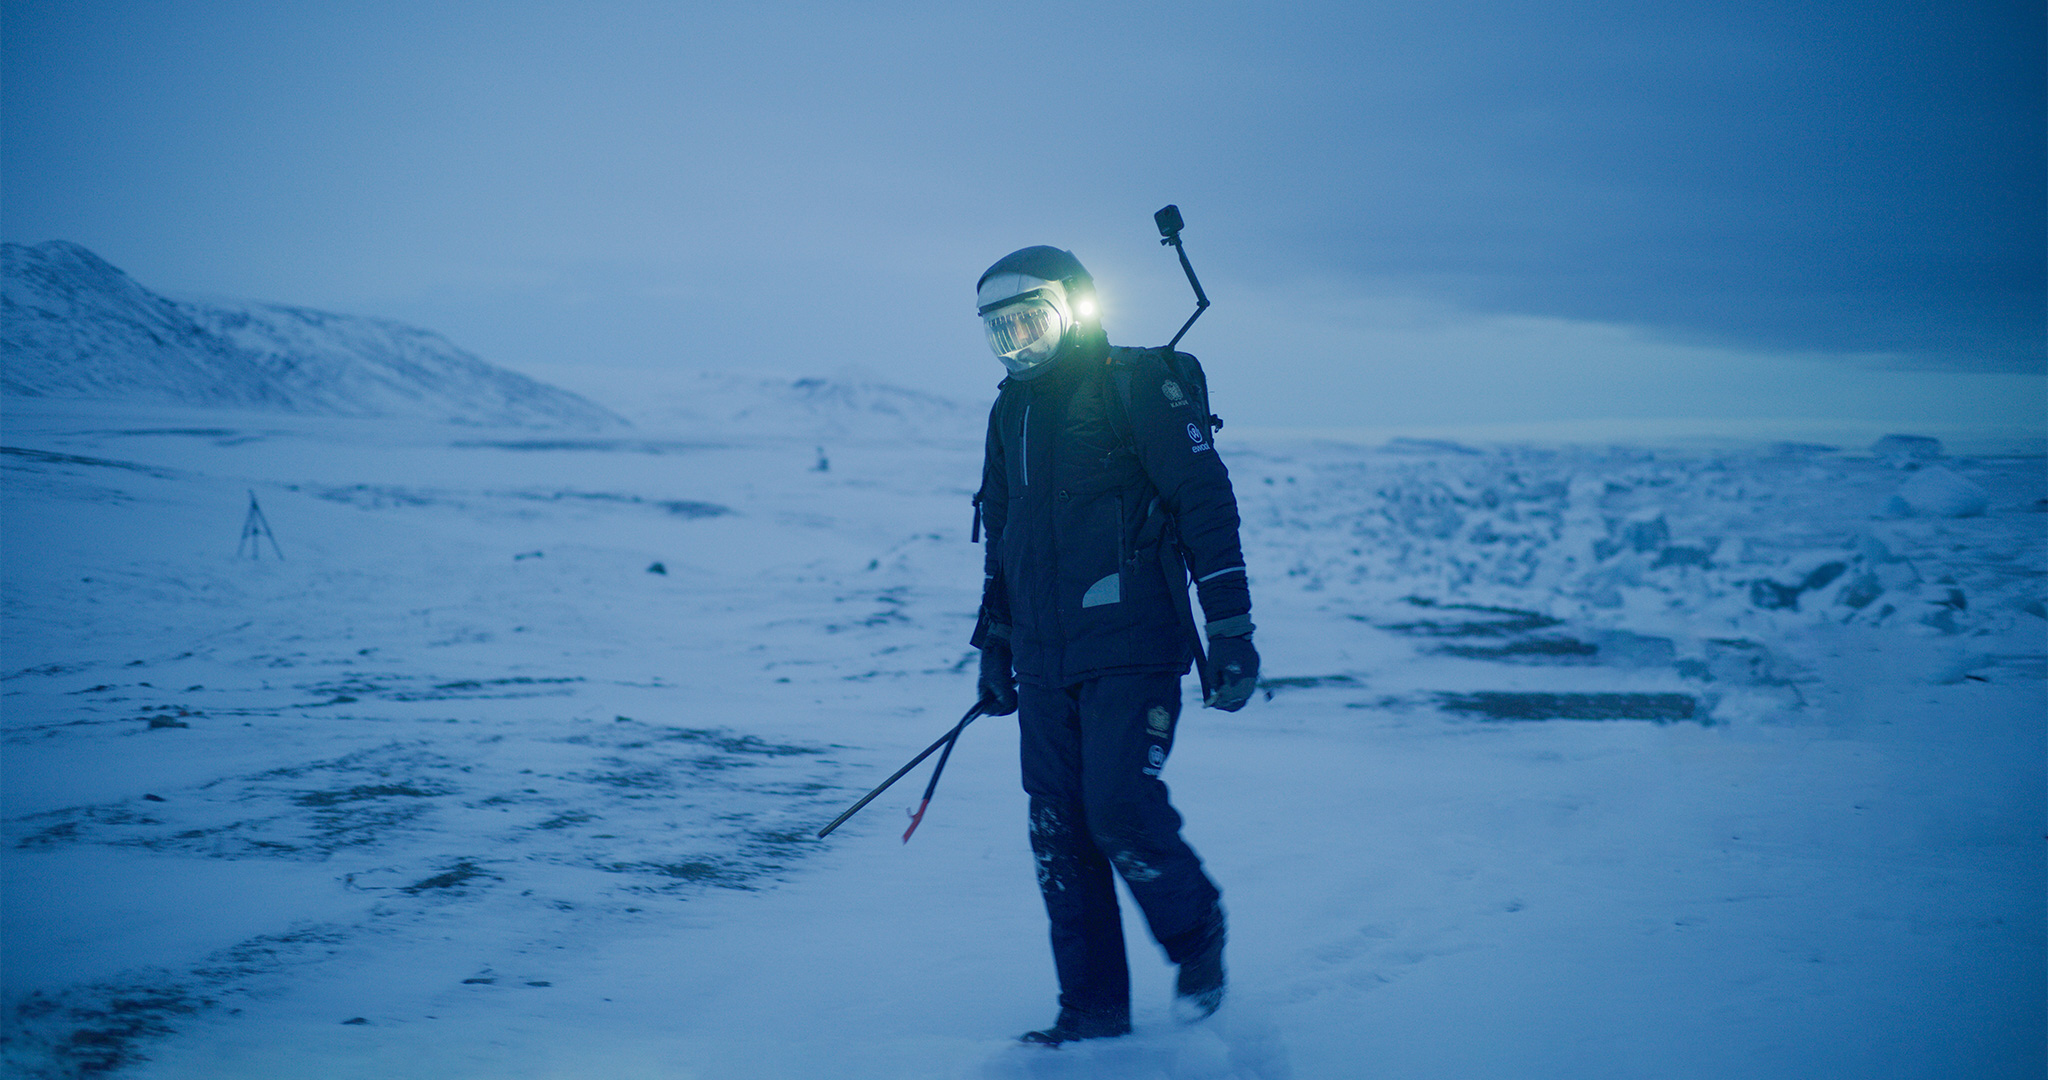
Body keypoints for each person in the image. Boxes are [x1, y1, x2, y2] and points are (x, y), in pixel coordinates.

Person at [968, 245, 1261, 1045]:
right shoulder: (1010, 412)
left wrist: (1231, 628)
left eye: (1032, 322)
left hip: (1132, 644)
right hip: (1043, 655)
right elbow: (1005, 537)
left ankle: (1196, 933)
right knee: (1057, 828)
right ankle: (1092, 1011)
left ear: (1075, 310)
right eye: (1003, 332)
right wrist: (994, 645)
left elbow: (1205, 503)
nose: (1020, 343)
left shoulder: (1138, 385)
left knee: (1118, 807)